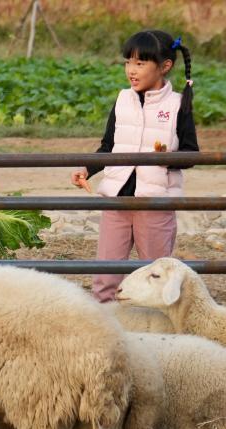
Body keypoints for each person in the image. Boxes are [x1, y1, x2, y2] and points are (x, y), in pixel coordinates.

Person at [70, 30, 199, 302]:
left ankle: (157, 333)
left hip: (155, 203)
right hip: (116, 200)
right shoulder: (122, 100)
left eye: (140, 64)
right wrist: (86, 169)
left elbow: (191, 154)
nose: (131, 70)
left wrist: (167, 156)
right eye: (128, 62)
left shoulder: (177, 105)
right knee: (106, 273)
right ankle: (106, 326)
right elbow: (108, 146)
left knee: (155, 274)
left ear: (165, 67)